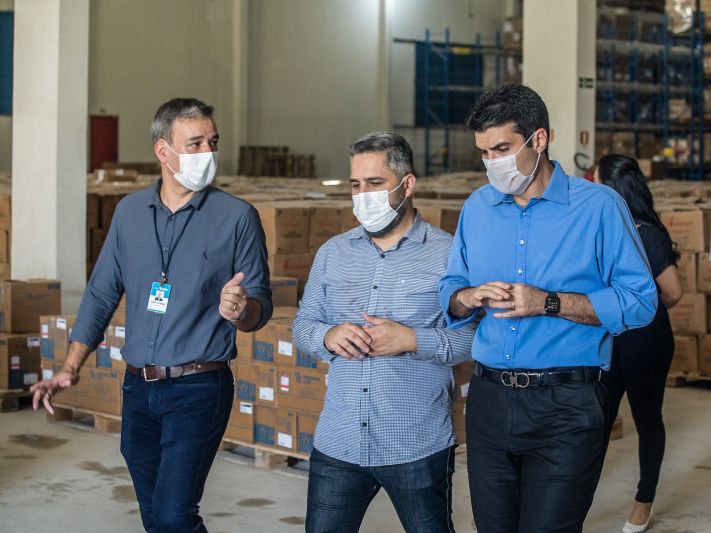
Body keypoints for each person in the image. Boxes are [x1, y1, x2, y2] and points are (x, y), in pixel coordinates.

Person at [30, 98, 273, 533]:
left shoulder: (237, 218)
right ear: (163, 151)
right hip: (138, 387)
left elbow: (259, 307)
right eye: (194, 143)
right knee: (153, 515)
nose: (207, 154)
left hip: (199, 386)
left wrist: (241, 310)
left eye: (212, 143)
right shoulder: (129, 214)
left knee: (175, 514)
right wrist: (69, 368)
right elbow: (101, 293)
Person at [438, 83, 658, 532]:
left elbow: (640, 302)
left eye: (501, 148)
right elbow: (452, 287)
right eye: (483, 153)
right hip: (489, 401)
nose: (491, 163)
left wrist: (549, 302)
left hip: (567, 405)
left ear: (539, 139)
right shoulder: (477, 208)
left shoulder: (599, 208)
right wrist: (467, 297)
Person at [293, 132, 475, 533]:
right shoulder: (332, 253)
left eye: (374, 184)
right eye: (355, 185)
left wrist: (412, 339)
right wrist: (327, 336)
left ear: (406, 185)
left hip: (416, 444)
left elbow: (474, 341)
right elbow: (302, 326)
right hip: (338, 441)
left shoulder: (449, 255)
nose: (363, 196)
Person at [594, 155, 683, 533]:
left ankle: (642, 502)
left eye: (595, 181)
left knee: (648, 420)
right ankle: (573, 497)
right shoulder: (597, 230)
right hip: (605, 339)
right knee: (595, 420)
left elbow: (674, 293)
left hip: (646, 341)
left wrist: (636, 305)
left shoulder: (647, 233)